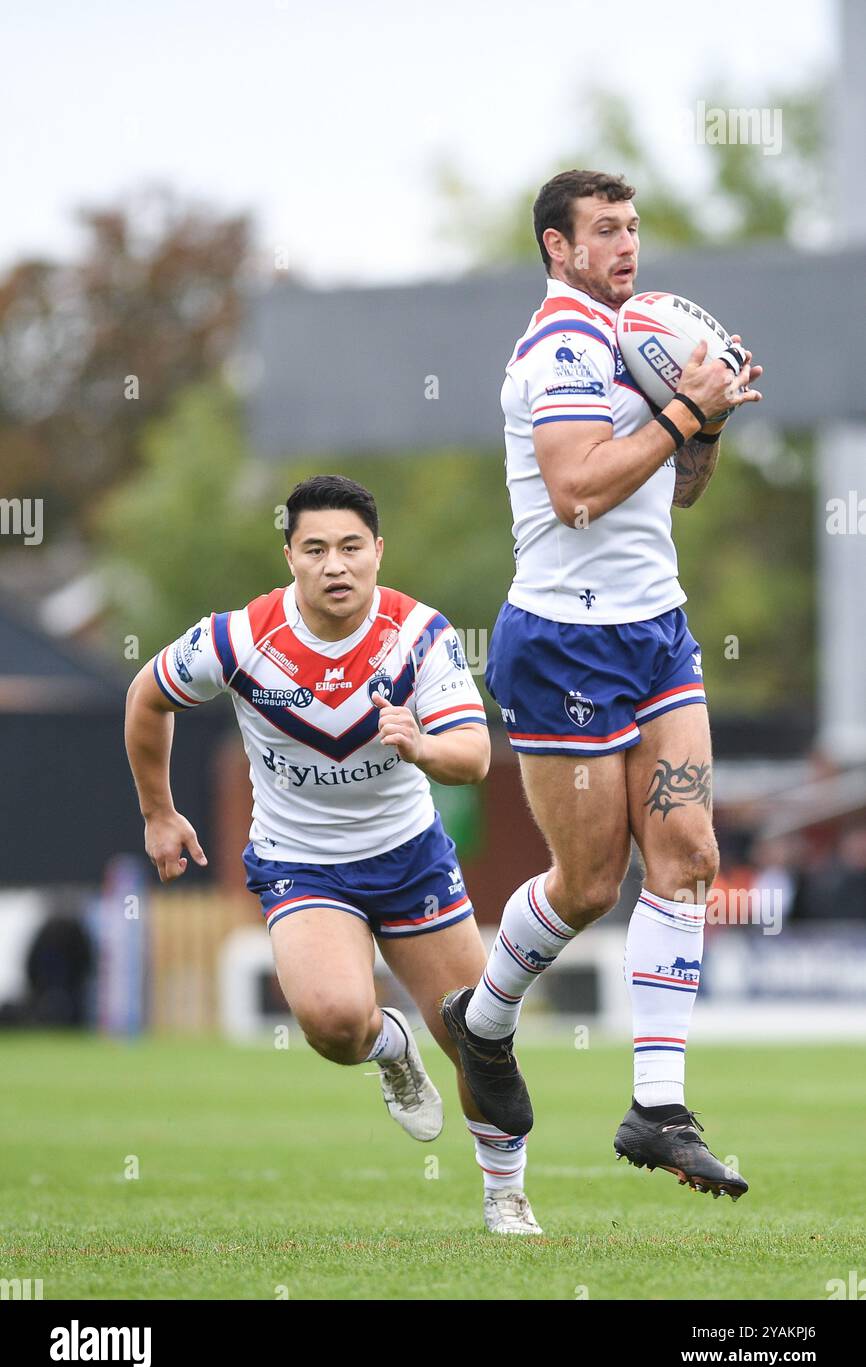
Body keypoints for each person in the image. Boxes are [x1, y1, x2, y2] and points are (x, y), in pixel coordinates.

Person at [442, 169, 762, 1201]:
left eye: (632, 228)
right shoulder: (563, 344)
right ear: (556, 247)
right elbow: (577, 489)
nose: (625, 247)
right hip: (564, 642)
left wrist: (702, 422)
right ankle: (480, 1018)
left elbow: (681, 489)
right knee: (586, 884)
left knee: (688, 856)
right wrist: (678, 415)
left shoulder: (633, 335)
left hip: (654, 629)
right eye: (604, 231)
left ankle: (656, 1109)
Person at [125, 473, 541, 1234]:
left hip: (409, 856)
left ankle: (505, 1195)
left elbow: (476, 755)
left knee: (478, 1038)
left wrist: (420, 744)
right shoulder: (239, 639)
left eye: (351, 547)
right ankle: (389, 1046)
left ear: (378, 553)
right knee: (331, 1020)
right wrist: (159, 812)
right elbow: (146, 696)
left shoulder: (419, 636)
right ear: (289, 557)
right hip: (301, 861)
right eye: (315, 548)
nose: (335, 565)